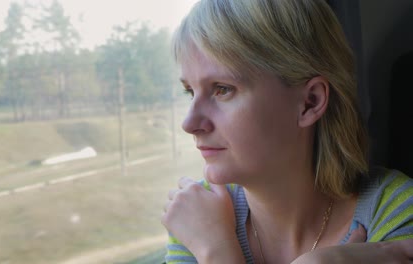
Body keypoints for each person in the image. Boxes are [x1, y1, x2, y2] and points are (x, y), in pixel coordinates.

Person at [161, 0, 413, 263]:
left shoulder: (395, 212)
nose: (189, 123)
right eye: (190, 91)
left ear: (309, 102)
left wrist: (218, 254)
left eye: (223, 89)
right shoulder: (198, 218)